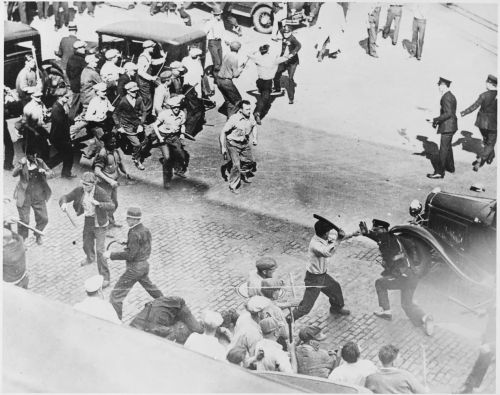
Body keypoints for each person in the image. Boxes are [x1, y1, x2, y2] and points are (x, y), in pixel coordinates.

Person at [360, 219, 434, 336]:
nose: (376, 232)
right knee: (406, 304)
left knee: (380, 283)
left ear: (383, 230)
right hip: (412, 276)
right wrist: (367, 233)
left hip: (402, 277)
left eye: (377, 230)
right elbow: (380, 239)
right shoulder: (393, 237)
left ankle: (386, 311)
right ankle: (425, 318)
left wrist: (389, 262)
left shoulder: (387, 243)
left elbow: (387, 251)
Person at [290, 214, 360, 320]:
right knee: (306, 307)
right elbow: (327, 252)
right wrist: (338, 240)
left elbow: (337, 239)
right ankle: (287, 319)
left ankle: (336, 308)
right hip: (314, 279)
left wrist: (353, 234)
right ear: (325, 233)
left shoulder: (322, 238)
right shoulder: (315, 245)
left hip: (322, 276)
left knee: (335, 288)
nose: (329, 234)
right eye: (328, 232)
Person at [104, 207, 164, 320]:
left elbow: (130, 255)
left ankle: (116, 321)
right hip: (144, 266)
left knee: (116, 296)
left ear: (136, 220)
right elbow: (141, 245)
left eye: (129, 218)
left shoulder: (133, 233)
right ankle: (168, 303)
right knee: (152, 289)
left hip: (134, 269)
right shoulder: (145, 230)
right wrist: (127, 243)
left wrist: (111, 255)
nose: (126, 220)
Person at [59, 172, 115, 284]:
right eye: (83, 184)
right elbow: (65, 197)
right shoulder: (80, 190)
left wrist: (99, 204)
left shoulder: (100, 192)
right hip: (89, 221)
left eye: (87, 185)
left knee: (100, 251)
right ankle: (90, 258)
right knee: (86, 244)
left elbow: (112, 205)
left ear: (93, 184)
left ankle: (105, 278)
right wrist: (64, 203)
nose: (84, 187)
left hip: (100, 224)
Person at [12, 154, 52, 245]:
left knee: (44, 218)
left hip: (38, 195)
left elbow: (51, 173)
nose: (33, 157)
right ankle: (22, 240)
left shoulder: (40, 162)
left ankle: (38, 234)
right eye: (31, 155)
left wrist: (45, 172)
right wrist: (20, 166)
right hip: (24, 195)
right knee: (24, 221)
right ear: (27, 155)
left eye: (35, 154)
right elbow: (13, 174)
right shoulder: (22, 162)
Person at [150, 95, 190, 187]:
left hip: (174, 137)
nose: (176, 109)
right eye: (174, 107)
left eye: (178, 107)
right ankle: (167, 181)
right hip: (163, 137)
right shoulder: (164, 114)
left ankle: (178, 170)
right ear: (171, 107)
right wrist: (159, 137)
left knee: (181, 154)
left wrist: (182, 133)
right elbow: (155, 125)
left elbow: (182, 124)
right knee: (167, 159)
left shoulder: (181, 114)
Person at [219, 100, 258, 193]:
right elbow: (223, 132)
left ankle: (242, 173)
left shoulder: (251, 116)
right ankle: (233, 186)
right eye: (247, 109)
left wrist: (255, 138)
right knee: (236, 165)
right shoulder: (234, 119)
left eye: (250, 109)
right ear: (241, 110)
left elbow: (254, 126)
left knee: (250, 161)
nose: (249, 111)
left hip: (244, 143)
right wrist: (223, 147)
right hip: (233, 144)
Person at [460, 74, 497, 171]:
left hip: (481, 123)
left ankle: (490, 157)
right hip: (493, 123)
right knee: (490, 142)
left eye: (486, 82)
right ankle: (481, 159)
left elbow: (474, 106)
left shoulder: (483, 95)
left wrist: (463, 112)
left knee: (487, 140)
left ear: (489, 83)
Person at [130, 296, 203, 344]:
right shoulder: (181, 306)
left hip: (132, 328)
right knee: (182, 327)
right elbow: (197, 328)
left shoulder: (159, 301)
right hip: (149, 332)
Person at [94, 133, 130, 227]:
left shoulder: (115, 151)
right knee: (106, 205)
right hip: (105, 184)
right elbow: (97, 171)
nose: (114, 144)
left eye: (114, 142)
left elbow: (119, 163)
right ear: (105, 143)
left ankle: (110, 221)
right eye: (111, 143)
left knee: (114, 203)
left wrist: (125, 172)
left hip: (113, 183)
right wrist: (110, 181)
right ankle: (103, 225)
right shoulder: (102, 154)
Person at [458, 303, 496, 393]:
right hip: (491, 334)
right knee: (483, 361)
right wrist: (486, 311)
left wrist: (491, 346)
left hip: (493, 341)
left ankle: (469, 388)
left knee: (483, 361)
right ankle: (474, 385)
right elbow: (495, 303)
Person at [247, 45, 288, 124]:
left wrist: (255, 51)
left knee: (263, 96)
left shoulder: (258, 58)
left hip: (259, 81)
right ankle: (257, 112)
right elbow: (286, 57)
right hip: (267, 82)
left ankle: (259, 107)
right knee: (264, 98)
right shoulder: (274, 60)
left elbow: (248, 54)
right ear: (268, 51)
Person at [112, 81, 149, 170]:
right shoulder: (123, 101)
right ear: (128, 91)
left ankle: (126, 142)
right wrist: (119, 126)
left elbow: (144, 111)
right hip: (126, 125)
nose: (135, 93)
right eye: (133, 91)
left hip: (137, 124)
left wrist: (141, 124)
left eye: (136, 91)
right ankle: (137, 160)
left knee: (145, 141)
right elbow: (115, 114)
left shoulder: (139, 99)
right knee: (137, 145)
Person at [427, 77, 458, 179]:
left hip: (447, 127)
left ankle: (439, 172)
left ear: (444, 86)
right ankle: (450, 167)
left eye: (439, 85)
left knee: (443, 150)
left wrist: (435, 119)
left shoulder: (446, 97)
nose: (438, 87)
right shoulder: (451, 96)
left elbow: (448, 113)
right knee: (447, 147)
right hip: (451, 126)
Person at [47, 88, 75, 178]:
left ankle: (64, 173)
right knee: (67, 154)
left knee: (64, 154)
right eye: (66, 97)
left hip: (60, 136)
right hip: (58, 136)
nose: (68, 99)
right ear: (59, 97)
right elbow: (60, 123)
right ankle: (46, 168)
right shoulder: (57, 108)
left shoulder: (62, 106)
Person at [216, 41, 248, 118]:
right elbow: (235, 75)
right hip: (227, 82)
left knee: (228, 99)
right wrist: (240, 70)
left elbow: (228, 67)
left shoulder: (227, 54)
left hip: (219, 80)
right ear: (238, 49)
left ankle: (225, 110)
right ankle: (231, 118)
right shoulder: (234, 58)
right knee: (237, 100)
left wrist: (238, 68)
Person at [84, 82, 115, 158]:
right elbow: (87, 117)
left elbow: (111, 108)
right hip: (95, 125)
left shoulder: (105, 99)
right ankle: (102, 159)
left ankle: (89, 154)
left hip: (104, 123)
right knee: (102, 142)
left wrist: (117, 108)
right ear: (97, 92)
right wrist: (97, 117)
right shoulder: (94, 102)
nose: (105, 93)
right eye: (103, 91)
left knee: (97, 140)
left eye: (105, 91)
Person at [137, 40, 166, 114]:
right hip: (143, 82)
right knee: (148, 101)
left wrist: (163, 59)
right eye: (152, 47)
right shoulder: (143, 57)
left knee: (148, 100)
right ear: (147, 48)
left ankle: (145, 116)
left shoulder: (148, 55)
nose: (153, 49)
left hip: (146, 81)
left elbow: (153, 62)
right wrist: (151, 77)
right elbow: (140, 72)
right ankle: (143, 119)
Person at [20, 89, 51, 161]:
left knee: (45, 149)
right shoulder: (28, 108)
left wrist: (48, 114)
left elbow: (45, 114)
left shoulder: (41, 103)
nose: (39, 98)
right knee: (31, 152)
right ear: (32, 96)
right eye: (37, 96)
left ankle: (45, 166)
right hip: (30, 131)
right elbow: (24, 123)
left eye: (40, 96)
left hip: (40, 129)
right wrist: (34, 132)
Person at [273, 25, 301, 104]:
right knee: (277, 73)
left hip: (292, 62)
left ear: (291, 32)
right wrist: (284, 26)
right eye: (284, 33)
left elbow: (299, 46)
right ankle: (277, 88)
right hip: (284, 60)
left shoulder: (293, 38)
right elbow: (281, 29)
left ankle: (291, 98)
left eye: (287, 33)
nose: (285, 34)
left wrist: (293, 53)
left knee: (290, 79)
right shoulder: (283, 33)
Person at [66, 40, 88, 120]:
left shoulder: (71, 57)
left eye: (84, 47)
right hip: (78, 85)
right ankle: (71, 119)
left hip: (74, 83)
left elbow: (67, 72)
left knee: (76, 101)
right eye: (82, 48)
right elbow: (85, 71)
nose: (84, 49)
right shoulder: (80, 60)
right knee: (76, 102)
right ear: (77, 49)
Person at [205, 5, 225, 76]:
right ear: (212, 14)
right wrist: (206, 46)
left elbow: (223, 31)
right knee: (217, 61)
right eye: (216, 15)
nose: (218, 16)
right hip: (212, 42)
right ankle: (216, 78)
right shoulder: (210, 22)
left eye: (219, 14)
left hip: (219, 42)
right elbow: (205, 33)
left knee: (220, 60)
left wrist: (226, 40)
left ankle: (215, 73)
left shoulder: (221, 22)